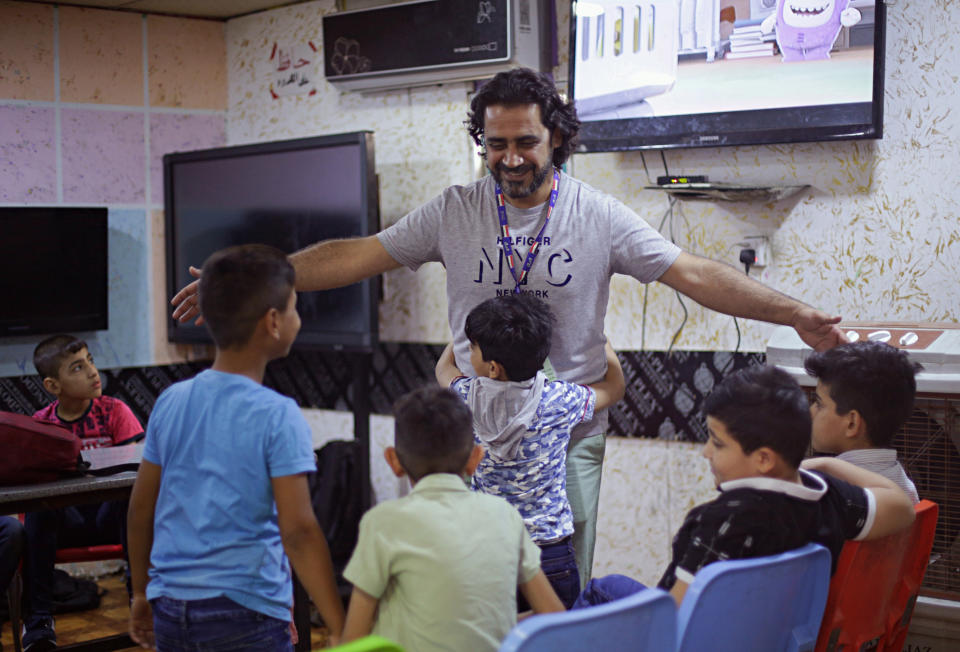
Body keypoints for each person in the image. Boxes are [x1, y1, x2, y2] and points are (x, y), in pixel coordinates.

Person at [171, 67, 847, 584]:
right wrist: (247, 278)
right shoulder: (455, 210)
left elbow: (692, 272)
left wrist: (794, 312)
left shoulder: (599, 214)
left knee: (556, 579)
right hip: (463, 437)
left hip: (566, 432)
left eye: (526, 141)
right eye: (496, 144)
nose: (511, 157)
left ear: (557, 136)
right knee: (465, 577)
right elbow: (358, 253)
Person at [126, 245, 344, 650]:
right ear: (274, 322)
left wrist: (140, 593)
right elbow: (298, 530)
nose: (299, 318)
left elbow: (142, 508)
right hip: (244, 610)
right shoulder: (278, 414)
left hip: (171, 603)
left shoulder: (170, 400)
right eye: (295, 308)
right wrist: (339, 623)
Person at [574, 365, 916, 608]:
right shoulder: (831, 498)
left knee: (603, 589)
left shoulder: (717, 522)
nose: (706, 452)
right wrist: (827, 466)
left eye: (717, 444)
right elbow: (902, 505)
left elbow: (670, 623)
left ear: (764, 459)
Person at [435, 292, 624, 608]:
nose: (470, 350)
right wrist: (602, 342)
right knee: (555, 639)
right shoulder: (560, 400)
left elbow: (444, 370)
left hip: (489, 552)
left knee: (496, 638)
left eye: (474, 347)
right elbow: (614, 388)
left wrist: (456, 339)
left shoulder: (467, 397)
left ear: (493, 368)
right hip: (550, 555)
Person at [341, 385, 565, 651]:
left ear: (394, 461)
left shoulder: (382, 522)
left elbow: (354, 639)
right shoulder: (504, 515)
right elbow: (553, 616)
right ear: (475, 459)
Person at [22, 334, 144, 652]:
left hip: (109, 517)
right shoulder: (42, 424)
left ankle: (139, 600)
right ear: (53, 386)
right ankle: (38, 622)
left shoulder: (115, 411)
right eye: (77, 367)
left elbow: (134, 474)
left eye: (90, 360)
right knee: (38, 505)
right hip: (65, 523)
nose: (92, 372)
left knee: (131, 496)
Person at [805, 340, 922, 503]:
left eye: (819, 404)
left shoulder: (831, 491)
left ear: (852, 423)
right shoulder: (901, 480)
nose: (810, 412)